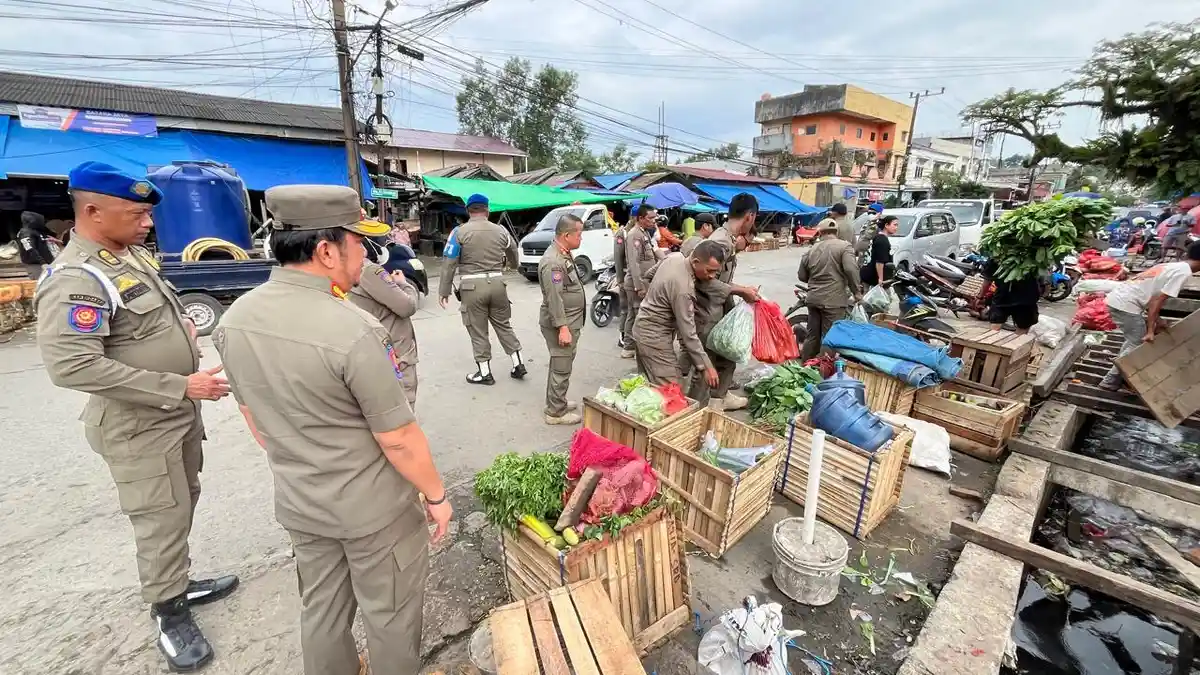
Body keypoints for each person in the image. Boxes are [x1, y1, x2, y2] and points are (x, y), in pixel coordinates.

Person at [213, 184, 451, 675]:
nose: (364, 252)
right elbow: (399, 436)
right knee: (390, 617)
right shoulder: (354, 328)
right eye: (357, 242)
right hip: (373, 511)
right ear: (326, 250)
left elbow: (256, 422)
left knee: (321, 609)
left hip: (302, 502)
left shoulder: (236, 319)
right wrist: (435, 496)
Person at [35, 161, 237, 672]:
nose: (148, 223)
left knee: (181, 501)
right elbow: (72, 365)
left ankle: (179, 582)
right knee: (159, 518)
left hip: (173, 417)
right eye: (138, 213)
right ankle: (168, 611)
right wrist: (178, 384)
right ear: (93, 211)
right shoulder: (77, 277)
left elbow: (143, 329)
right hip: (139, 425)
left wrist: (185, 345)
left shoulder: (128, 258)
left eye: (148, 213)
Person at [631, 242, 756, 386]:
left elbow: (648, 275)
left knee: (648, 385)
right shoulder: (684, 290)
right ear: (696, 262)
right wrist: (706, 366)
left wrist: (655, 299)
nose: (712, 276)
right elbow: (688, 333)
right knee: (672, 389)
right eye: (710, 271)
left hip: (642, 325)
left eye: (716, 272)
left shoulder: (674, 257)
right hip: (653, 337)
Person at [438, 193, 526, 385]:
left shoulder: (459, 232)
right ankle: (518, 363)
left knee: (478, 330)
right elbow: (513, 250)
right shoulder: (501, 230)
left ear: (468, 210)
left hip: (472, 286)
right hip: (497, 284)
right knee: (504, 325)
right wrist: (513, 265)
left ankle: (484, 373)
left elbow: (449, 262)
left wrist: (443, 291)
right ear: (487, 210)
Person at [1099, 243, 1200, 391]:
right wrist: (1150, 331)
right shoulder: (1182, 273)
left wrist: (1158, 321)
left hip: (1121, 299)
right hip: (1126, 304)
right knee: (1138, 343)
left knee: (1133, 340)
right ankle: (1110, 380)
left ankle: (1121, 377)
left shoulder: (1173, 266)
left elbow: (1151, 295)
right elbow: (1155, 302)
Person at [694, 193, 760, 409]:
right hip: (706, 312)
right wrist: (741, 291)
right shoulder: (720, 241)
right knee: (705, 366)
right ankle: (696, 409)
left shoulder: (727, 239)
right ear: (750, 216)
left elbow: (721, 279)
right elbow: (704, 282)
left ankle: (718, 400)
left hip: (718, 309)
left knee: (726, 357)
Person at [350, 239, 421, 405]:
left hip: (371, 350)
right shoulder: (369, 271)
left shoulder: (339, 272)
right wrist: (404, 284)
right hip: (394, 353)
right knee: (404, 405)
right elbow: (407, 306)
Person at [538, 213, 587, 426]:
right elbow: (554, 298)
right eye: (579, 234)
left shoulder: (562, 253)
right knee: (561, 365)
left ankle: (557, 401)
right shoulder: (553, 261)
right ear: (567, 235)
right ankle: (555, 412)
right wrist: (563, 328)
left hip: (569, 319)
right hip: (562, 322)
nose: (581, 238)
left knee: (561, 362)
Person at [797, 219, 862, 359]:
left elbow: (802, 276)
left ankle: (805, 367)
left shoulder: (811, 249)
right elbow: (851, 269)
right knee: (829, 337)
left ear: (820, 232)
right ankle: (823, 372)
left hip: (813, 298)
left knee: (812, 336)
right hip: (834, 300)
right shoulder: (845, 247)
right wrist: (856, 291)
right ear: (836, 232)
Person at [621, 203, 659, 359]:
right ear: (641, 218)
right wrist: (639, 286)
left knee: (633, 315)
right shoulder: (634, 235)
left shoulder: (644, 233)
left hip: (643, 281)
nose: (653, 220)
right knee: (639, 317)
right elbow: (634, 263)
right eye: (650, 218)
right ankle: (637, 349)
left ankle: (629, 347)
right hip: (638, 283)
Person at [981, 258, 1041, 335]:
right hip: (1027, 297)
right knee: (1022, 329)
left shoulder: (997, 255)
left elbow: (987, 281)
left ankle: (988, 345)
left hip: (1003, 296)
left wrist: (980, 296)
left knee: (995, 327)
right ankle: (1015, 345)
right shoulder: (1033, 255)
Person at [17, 210, 60, 279]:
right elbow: (30, 249)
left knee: (49, 282)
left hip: (45, 264)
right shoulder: (26, 233)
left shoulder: (35, 231)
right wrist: (43, 263)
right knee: (39, 283)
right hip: (37, 266)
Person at [861, 215, 898, 287]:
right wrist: (880, 278)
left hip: (869, 275)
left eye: (897, 225)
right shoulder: (882, 240)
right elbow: (879, 262)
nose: (896, 228)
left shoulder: (878, 237)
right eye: (895, 225)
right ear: (886, 225)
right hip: (872, 278)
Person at [613, 214, 632, 352]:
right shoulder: (623, 233)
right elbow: (618, 257)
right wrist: (620, 279)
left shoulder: (642, 232)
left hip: (636, 277)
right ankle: (623, 335)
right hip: (626, 275)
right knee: (626, 309)